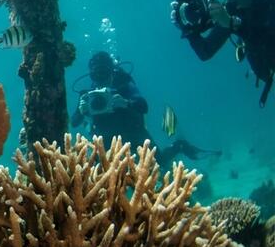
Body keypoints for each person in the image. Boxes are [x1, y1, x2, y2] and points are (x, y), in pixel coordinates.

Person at [172, 0, 275, 107]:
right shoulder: (231, 7)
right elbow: (205, 52)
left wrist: (231, 23)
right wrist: (189, 29)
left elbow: (267, 38)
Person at [72, 51, 219, 165]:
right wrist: (80, 109)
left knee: (160, 161)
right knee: (100, 172)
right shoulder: (88, 96)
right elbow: (74, 122)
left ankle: (179, 145)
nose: (101, 79)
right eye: (95, 75)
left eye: (104, 73)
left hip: (134, 131)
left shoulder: (124, 84)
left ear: (112, 72)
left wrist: (126, 103)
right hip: (105, 138)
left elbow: (144, 106)